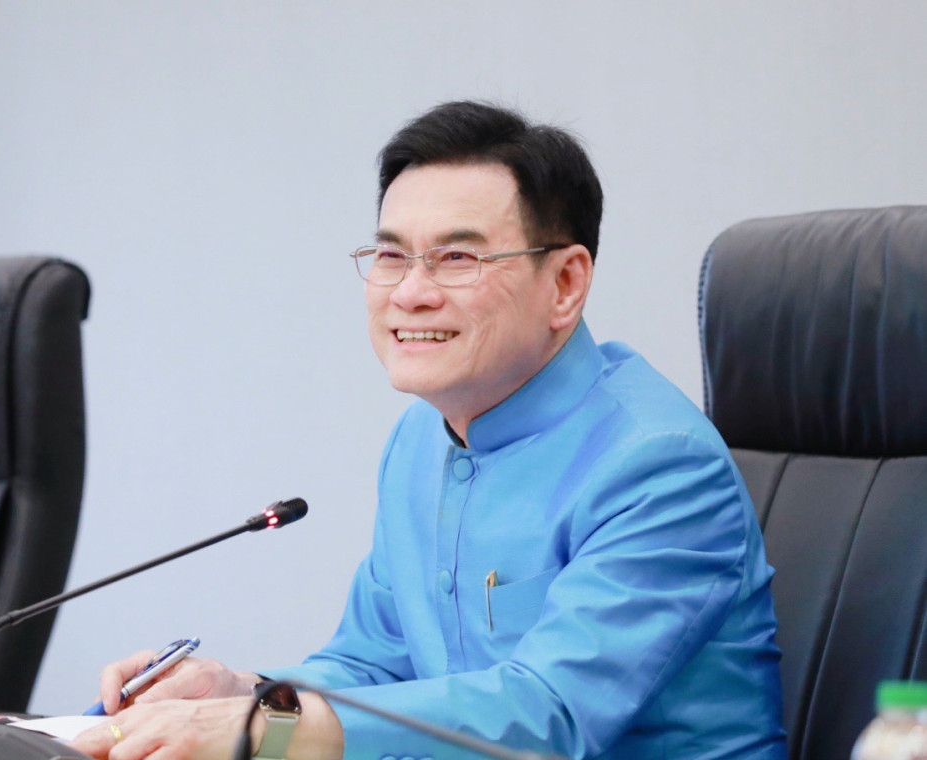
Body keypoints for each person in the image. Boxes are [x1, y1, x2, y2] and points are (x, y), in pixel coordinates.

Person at [72, 101, 786, 760]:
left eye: (457, 258)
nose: (411, 292)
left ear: (565, 284)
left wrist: (266, 732)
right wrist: (242, 694)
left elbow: (547, 716)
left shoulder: (659, 465)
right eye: (391, 255)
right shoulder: (421, 440)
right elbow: (374, 665)